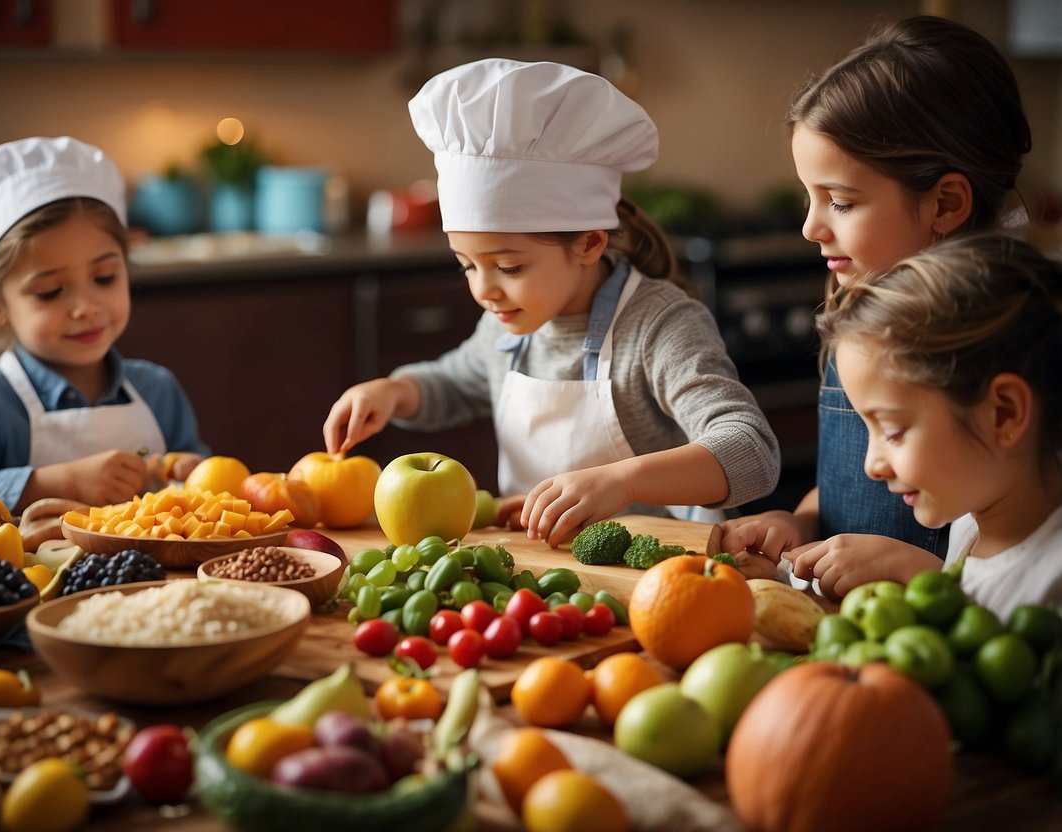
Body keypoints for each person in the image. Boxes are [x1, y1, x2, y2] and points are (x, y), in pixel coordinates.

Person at [322, 58, 780, 547]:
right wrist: (392, 393)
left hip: (665, 579)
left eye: (510, 267)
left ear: (588, 243)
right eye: (467, 265)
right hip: (550, 577)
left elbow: (751, 451)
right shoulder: (507, 322)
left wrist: (620, 481)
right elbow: (457, 382)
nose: (484, 291)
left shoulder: (658, 325)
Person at [721, 14, 1033, 596]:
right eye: (809, 198)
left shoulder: (1000, 350)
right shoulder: (859, 317)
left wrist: (916, 572)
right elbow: (846, 484)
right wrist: (800, 521)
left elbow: (1019, 581)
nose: (812, 227)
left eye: (839, 201)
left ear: (945, 203)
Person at [0, 136, 208, 512]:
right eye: (51, 291)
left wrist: (190, 471)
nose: (85, 307)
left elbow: (200, 488)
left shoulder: (158, 391)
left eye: (104, 277)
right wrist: (53, 482)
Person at [817, 234, 1062, 618]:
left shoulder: (1052, 585)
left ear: (1005, 414)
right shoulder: (970, 524)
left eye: (893, 431)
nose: (871, 465)